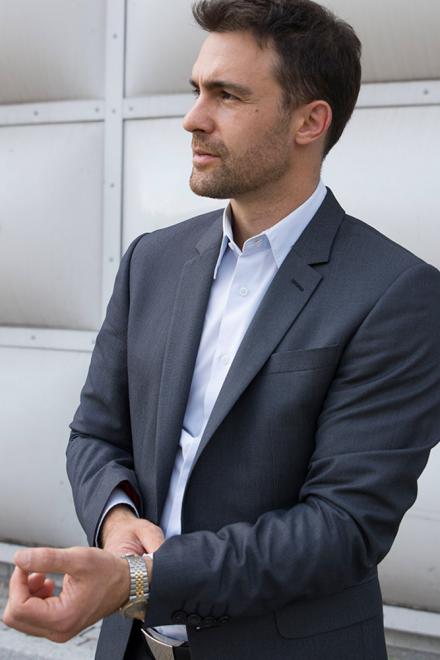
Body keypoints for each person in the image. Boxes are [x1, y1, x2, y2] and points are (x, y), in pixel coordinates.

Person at [3, 0, 440, 658]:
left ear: (310, 121)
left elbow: (343, 527)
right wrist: (116, 521)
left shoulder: (395, 293)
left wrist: (141, 581)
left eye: (227, 95)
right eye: (197, 90)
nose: (193, 118)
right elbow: (95, 433)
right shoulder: (152, 260)